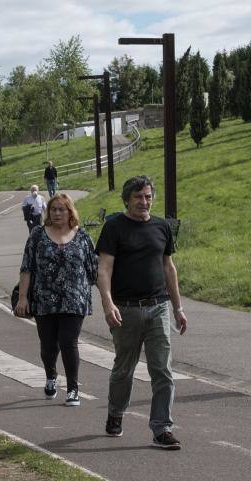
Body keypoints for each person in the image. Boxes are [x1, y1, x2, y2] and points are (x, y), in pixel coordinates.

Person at [95, 175, 188, 450]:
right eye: (138, 197)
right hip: (125, 310)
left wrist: (178, 307)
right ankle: (116, 411)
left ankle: (162, 428)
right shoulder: (114, 228)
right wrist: (108, 303)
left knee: (163, 370)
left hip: (158, 307)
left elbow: (169, 268)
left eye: (148, 196)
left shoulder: (161, 227)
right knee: (124, 369)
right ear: (127, 200)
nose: (144, 202)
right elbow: (104, 269)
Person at [15, 194, 98, 407]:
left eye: (62, 209)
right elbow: (27, 268)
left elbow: (93, 271)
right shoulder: (37, 236)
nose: (57, 213)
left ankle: (72, 389)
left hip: (74, 299)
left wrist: (108, 298)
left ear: (70, 212)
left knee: (68, 342)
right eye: (53, 209)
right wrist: (23, 298)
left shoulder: (83, 237)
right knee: (49, 345)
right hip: (45, 298)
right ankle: (51, 375)